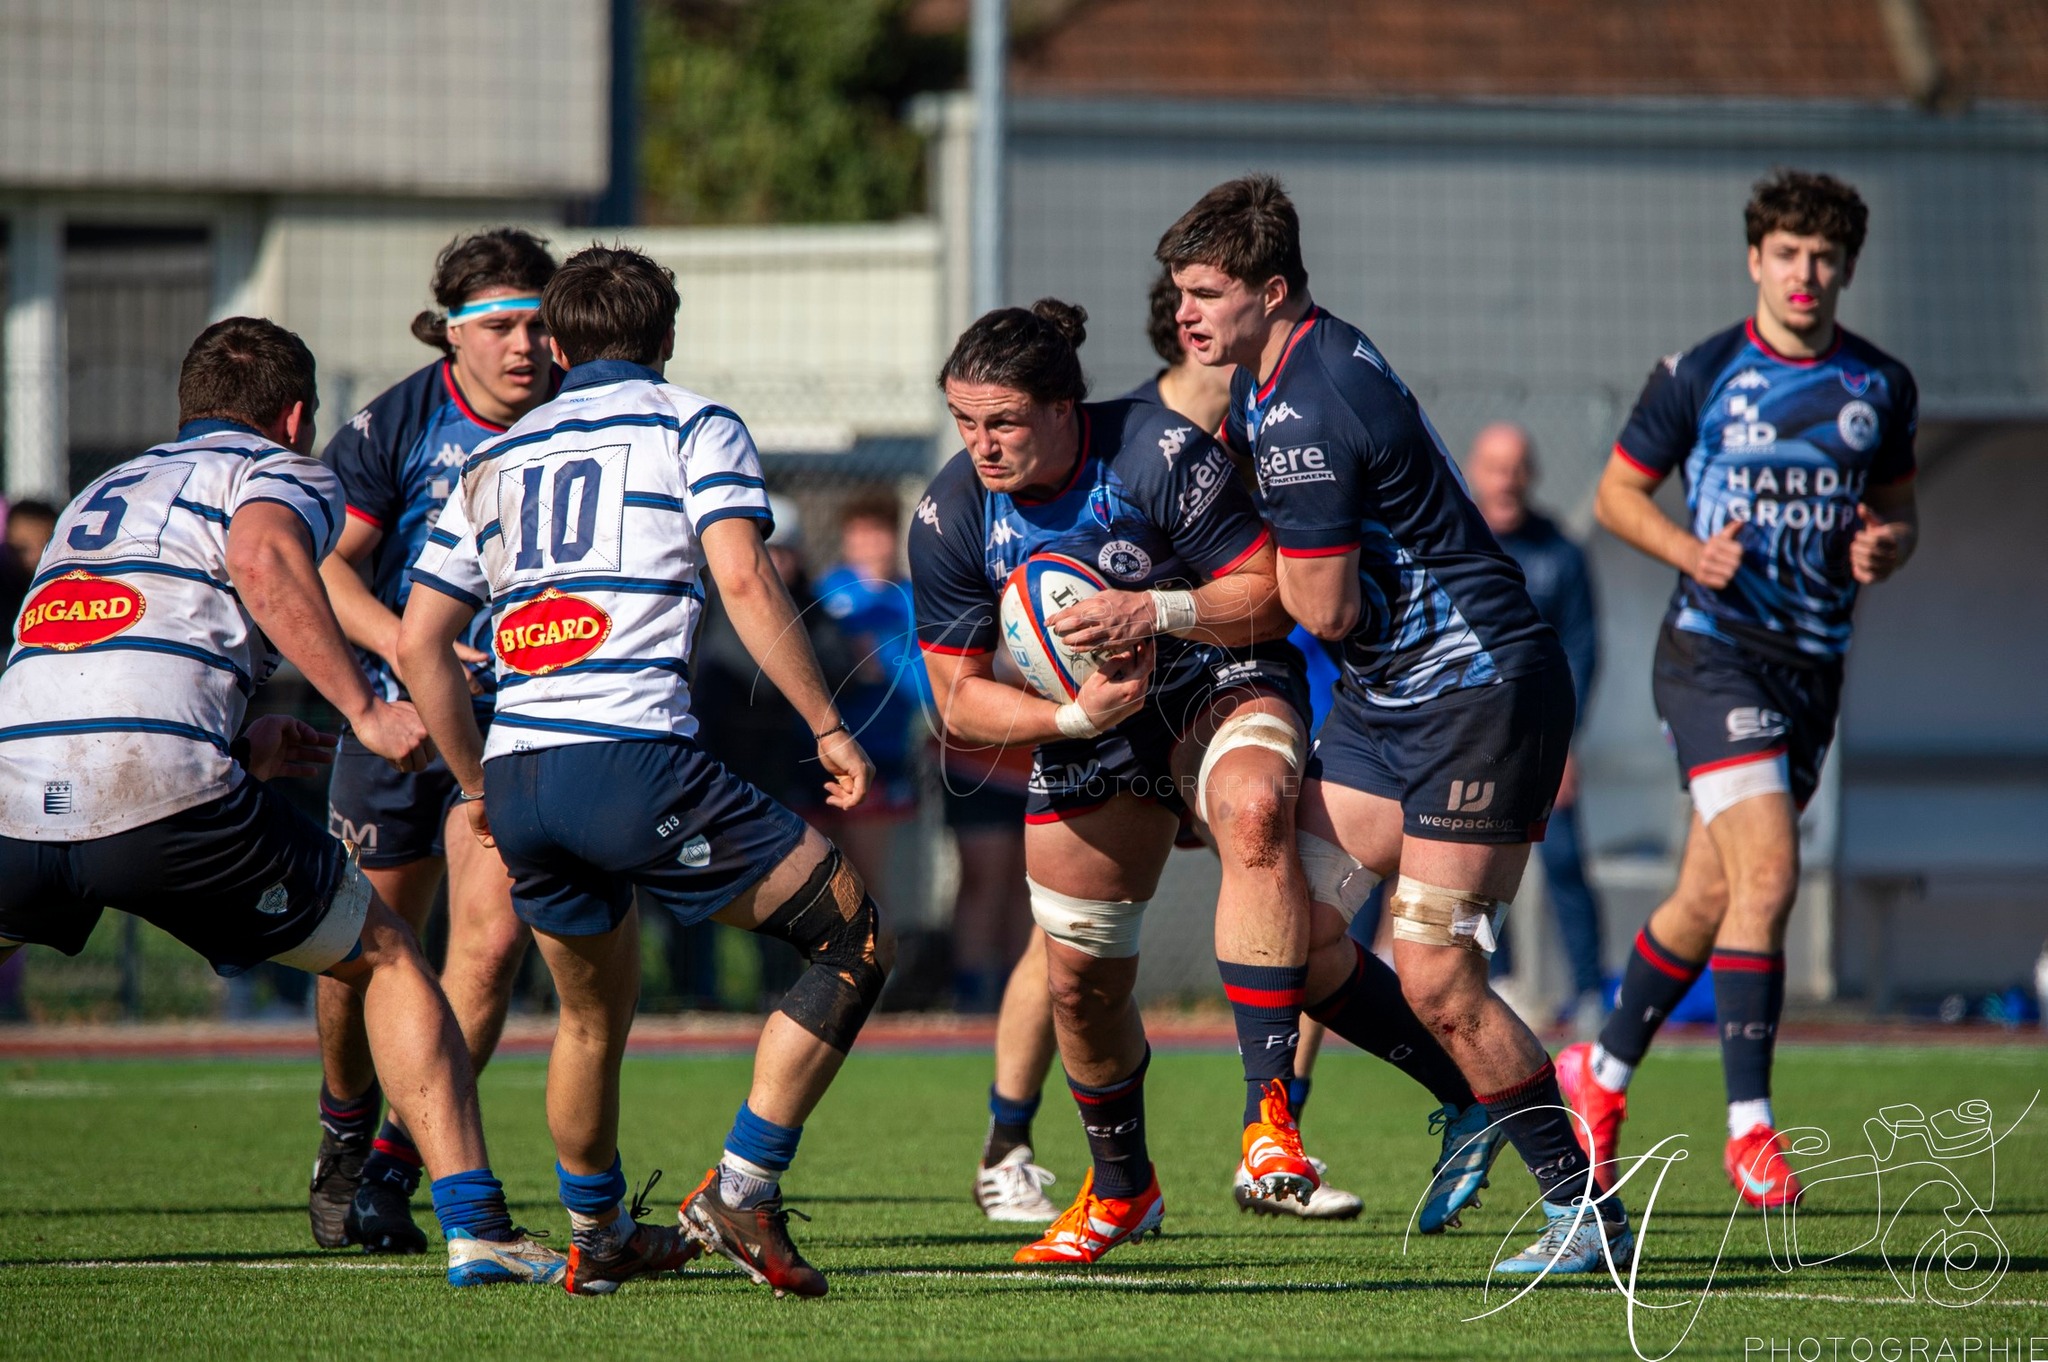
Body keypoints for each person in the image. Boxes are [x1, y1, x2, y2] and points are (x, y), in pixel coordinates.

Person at [915, 298, 1495, 1262]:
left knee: (1257, 806)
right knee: (1079, 986)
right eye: (966, 422)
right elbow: (958, 699)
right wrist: (1068, 717)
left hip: (1214, 672)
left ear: (1065, 407)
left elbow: (1271, 590)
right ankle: (1122, 1191)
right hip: (1095, 723)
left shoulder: (1155, 451)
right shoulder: (953, 512)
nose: (982, 445)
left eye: (1003, 421)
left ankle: (1270, 1121)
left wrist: (1155, 610)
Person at [0, 317, 561, 1287]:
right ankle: (477, 1228)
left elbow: (93, 653)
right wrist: (365, 707)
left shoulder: (101, 490)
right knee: (387, 957)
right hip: (160, 796)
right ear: (295, 417)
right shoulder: (279, 471)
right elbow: (263, 560)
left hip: (13, 792)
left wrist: (240, 740)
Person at [400, 245, 890, 1298]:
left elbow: (417, 643)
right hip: (632, 759)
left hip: (521, 775)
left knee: (587, 1018)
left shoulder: (493, 456)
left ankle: (601, 1234)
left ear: (561, 345)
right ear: (666, 339)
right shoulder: (689, 423)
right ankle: (742, 1188)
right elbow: (744, 578)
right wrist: (826, 724)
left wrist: (474, 784)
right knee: (850, 937)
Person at [1164, 173, 1633, 1274]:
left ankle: (1585, 1212)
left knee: (1432, 975)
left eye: (1204, 290)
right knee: (1299, 916)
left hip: (1477, 697)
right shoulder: (1281, 377)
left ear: (1270, 292)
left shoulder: (1301, 409)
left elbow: (1318, 606)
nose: (1183, 312)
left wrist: (1168, 613)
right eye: (1176, 290)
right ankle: (1462, 1099)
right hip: (1391, 697)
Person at [1559, 170, 1918, 1210]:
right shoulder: (1700, 372)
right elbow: (1614, 494)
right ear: (1752, 260)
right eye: (1787, 254)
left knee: (1706, 896)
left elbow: (1896, 516)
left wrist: (1885, 549)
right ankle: (1749, 1129)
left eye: (1823, 258)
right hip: (1711, 653)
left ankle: (1598, 1073)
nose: (1805, 274)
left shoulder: (1879, 386)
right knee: (1766, 877)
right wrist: (1686, 549)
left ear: (1843, 269)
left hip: (1811, 668)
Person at [307, 228, 559, 1254]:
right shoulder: (395, 422)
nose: (525, 348)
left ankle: (396, 1167)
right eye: (499, 326)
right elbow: (326, 570)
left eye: (541, 324)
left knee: (491, 947)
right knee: (358, 953)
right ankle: (340, 1130)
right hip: (393, 721)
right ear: (450, 333)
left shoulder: (579, 415)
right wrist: (413, 659)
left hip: (522, 723)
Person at [1464, 423, 1608, 1032]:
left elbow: (1581, 652)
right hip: (1459, 741)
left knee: (1566, 859)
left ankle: (1592, 995)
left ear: (1532, 475)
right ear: (1474, 472)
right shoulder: (1448, 540)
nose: (1507, 480)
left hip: (1539, 742)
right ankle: (1492, 985)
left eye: (1517, 467)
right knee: (1462, 868)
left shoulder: (1561, 553)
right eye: (1496, 467)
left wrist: (1564, 741)